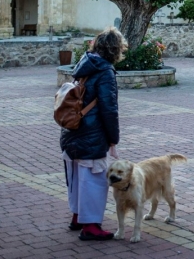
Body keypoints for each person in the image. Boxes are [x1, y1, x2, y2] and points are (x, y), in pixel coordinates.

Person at [60, 27, 127, 241]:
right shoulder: (105, 71)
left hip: (73, 130)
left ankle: (78, 216)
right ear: (115, 50)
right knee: (94, 180)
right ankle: (90, 226)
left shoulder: (85, 64)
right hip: (92, 134)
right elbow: (109, 109)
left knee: (78, 178)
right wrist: (113, 140)